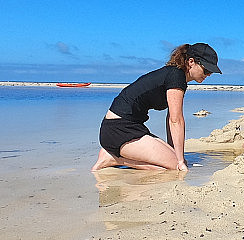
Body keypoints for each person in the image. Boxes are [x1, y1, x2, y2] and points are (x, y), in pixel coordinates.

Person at [91, 43, 222, 171]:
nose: (209, 74)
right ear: (191, 62)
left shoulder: (175, 75)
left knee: (174, 161)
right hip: (119, 130)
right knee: (175, 166)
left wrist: (174, 151)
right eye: (206, 69)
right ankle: (113, 159)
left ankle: (117, 155)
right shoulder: (176, 76)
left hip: (127, 128)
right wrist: (180, 161)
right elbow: (176, 120)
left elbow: (171, 117)